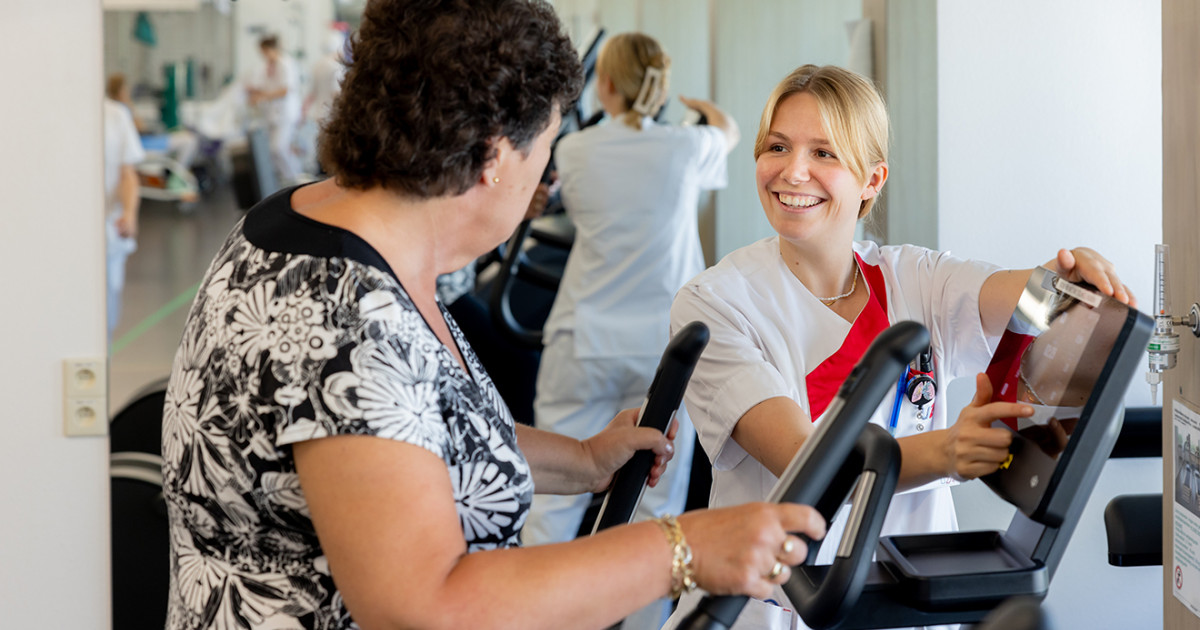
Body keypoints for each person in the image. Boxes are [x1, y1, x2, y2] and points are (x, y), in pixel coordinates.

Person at [161, 3, 826, 629]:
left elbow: (415, 430)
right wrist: (682, 548)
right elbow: (426, 606)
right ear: (495, 156)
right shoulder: (346, 321)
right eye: (544, 149)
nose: (543, 174)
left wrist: (582, 459)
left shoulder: (313, 223)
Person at [664, 64, 1136, 630]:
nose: (793, 171)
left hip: (906, 608)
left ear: (872, 180)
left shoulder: (915, 278)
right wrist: (947, 452)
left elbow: (1024, 300)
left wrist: (1065, 281)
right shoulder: (715, 302)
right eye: (777, 146)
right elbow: (805, 464)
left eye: (824, 153)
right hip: (771, 611)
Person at [523, 31, 739, 628]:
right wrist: (691, 104)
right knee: (655, 506)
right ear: (659, 86)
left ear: (606, 84)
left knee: (550, 501)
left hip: (584, 341)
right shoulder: (687, 147)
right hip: (662, 351)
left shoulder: (575, 150)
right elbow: (727, 129)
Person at [103, 87, 146, 340]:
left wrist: (129, 214)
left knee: (104, 321)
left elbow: (127, 174)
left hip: (108, 227)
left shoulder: (115, 115)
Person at [247, 34, 302, 184]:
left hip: (285, 113)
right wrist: (255, 92)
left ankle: (295, 178)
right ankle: (286, 179)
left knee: (278, 148)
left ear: (272, 49)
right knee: (273, 151)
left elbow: (285, 90)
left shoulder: (286, 64)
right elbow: (264, 86)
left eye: (265, 51)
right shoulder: (267, 66)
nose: (263, 55)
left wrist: (263, 96)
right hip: (272, 114)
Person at [301, 28, 348, 174]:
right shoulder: (336, 67)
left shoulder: (317, 65)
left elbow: (311, 94)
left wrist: (303, 112)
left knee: (320, 151)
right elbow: (336, 94)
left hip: (317, 114)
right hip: (331, 115)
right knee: (330, 154)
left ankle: (320, 174)